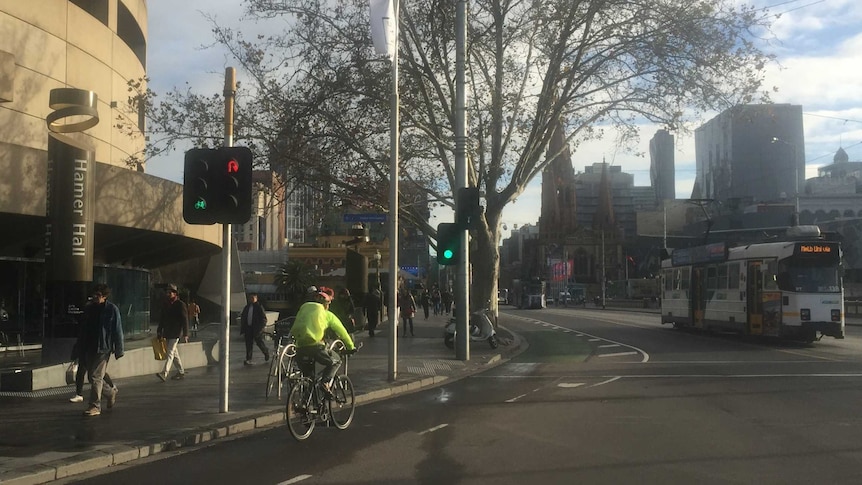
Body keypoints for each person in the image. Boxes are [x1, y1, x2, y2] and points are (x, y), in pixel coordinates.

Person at [288, 289, 355, 396]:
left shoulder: (304, 308)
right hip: (316, 347)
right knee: (336, 361)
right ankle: (325, 383)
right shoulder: (326, 314)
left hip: (300, 348)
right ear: (326, 304)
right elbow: (341, 331)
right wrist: (350, 346)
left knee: (309, 378)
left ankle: (305, 404)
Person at [78, 284, 124, 416]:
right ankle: (110, 392)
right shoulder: (89, 308)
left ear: (104, 296)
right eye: (94, 295)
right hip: (89, 346)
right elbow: (83, 329)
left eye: (98, 295)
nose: (95, 297)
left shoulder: (111, 309)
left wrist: (119, 349)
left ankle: (95, 406)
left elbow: (117, 329)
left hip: (103, 347)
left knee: (96, 376)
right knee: (92, 376)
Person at [68, 337, 116, 404]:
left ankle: (108, 392)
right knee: (90, 373)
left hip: (95, 347)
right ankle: (110, 390)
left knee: (95, 375)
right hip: (88, 346)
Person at [156, 284, 188, 382]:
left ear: (175, 294)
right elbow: (162, 318)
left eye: (170, 292)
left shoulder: (180, 304)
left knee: (170, 352)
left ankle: (164, 373)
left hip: (176, 332)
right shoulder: (165, 304)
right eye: (167, 292)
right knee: (174, 353)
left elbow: (185, 319)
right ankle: (181, 371)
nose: (168, 294)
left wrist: (185, 333)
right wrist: (159, 330)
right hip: (167, 332)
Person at [239, 293, 269, 365]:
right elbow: (243, 317)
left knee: (259, 342)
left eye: (253, 298)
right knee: (248, 344)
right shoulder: (247, 307)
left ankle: (266, 352)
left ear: (256, 298)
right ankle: (248, 359)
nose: (251, 299)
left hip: (256, 329)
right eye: (250, 298)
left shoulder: (259, 307)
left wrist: (260, 328)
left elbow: (264, 319)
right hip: (248, 328)